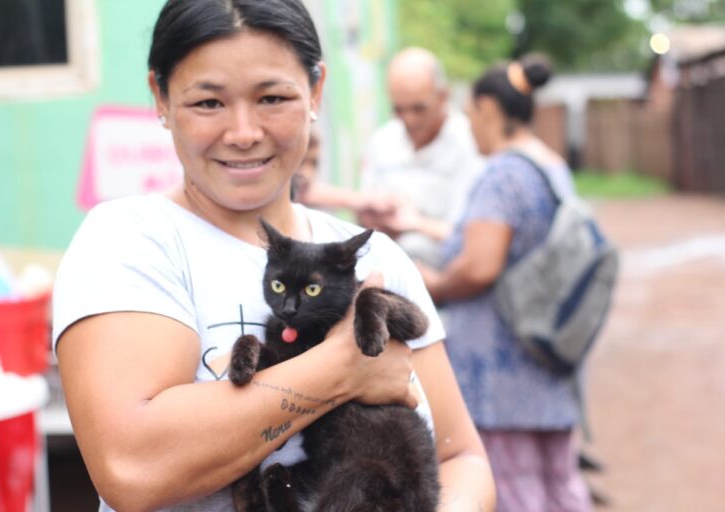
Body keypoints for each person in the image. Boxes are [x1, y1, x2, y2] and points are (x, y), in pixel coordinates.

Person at [51, 1, 496, 511]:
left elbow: (462, 458)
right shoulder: (131, 241)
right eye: (208, 103)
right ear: (161, 97)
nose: (243, 133)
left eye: (272, 97)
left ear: (316, 91)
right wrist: (343, 369)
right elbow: (132, 467)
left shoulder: (375, 258)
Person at [416, 54, 594, 512]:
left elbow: (480, 265)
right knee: (561, 486)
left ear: (490, 109)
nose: (469, 124)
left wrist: (431, 284)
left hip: (501, 373)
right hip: (547, 358)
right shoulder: (550, 165)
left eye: (471, 113)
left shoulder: (502, 173)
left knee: (515, 492)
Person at [357, 47, 484, 268]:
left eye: (419, 109)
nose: (409, 120)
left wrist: (413, 223)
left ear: (443, 96)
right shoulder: (382, 140)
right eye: (399, 109)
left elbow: (471, 234)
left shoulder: (470, 143)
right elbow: (363, 216)